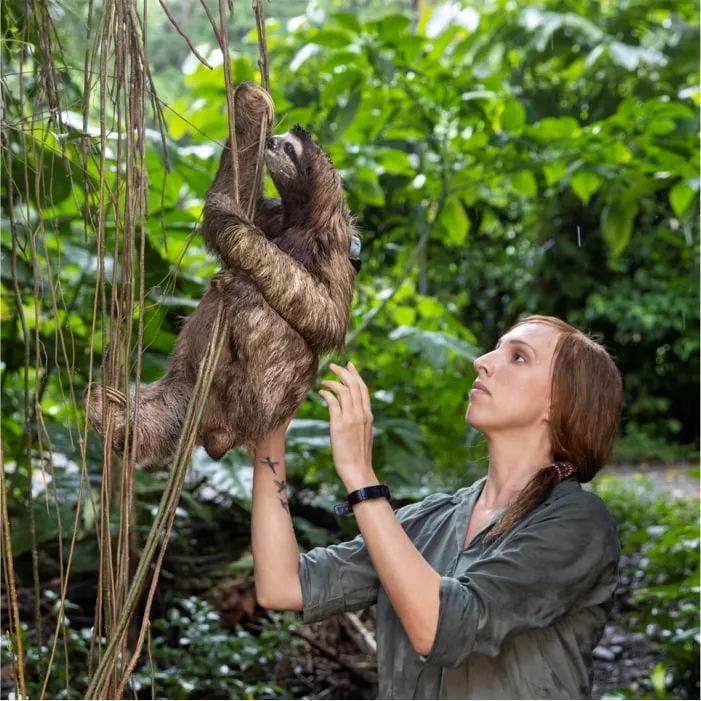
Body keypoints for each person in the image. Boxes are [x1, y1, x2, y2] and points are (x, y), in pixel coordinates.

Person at [251, 314, 623, 700]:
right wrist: (269, 434)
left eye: (518, 357)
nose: (483, 360)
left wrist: (360, 476)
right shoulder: (431, 520)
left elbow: (442, 626)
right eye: (497, 347)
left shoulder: (580, 524)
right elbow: (283, 585)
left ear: (560, 402)